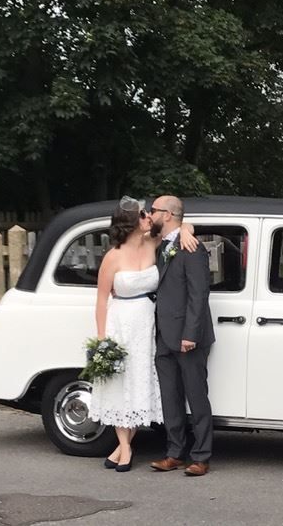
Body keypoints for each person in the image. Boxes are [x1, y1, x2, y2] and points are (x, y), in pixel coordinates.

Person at [88, 196, 196, 473]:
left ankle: (119, 449)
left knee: (141, 384)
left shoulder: (153, 242)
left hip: (148, 322)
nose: (149, 215)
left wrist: (186, 229)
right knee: (120, 386)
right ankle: (125, 449)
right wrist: (102, 339)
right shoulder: (112, 257)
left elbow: (183, 225)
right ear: (132, 222)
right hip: (120, 322)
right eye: (143, 213)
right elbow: (101, 300)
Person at [148, 195, 216, 477]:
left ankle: (201, 455)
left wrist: (190, 334)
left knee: (196, 395)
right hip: (163, 333)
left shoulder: (191, 248)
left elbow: (199, 294)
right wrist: (186, 226)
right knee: (170, 397)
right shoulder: (161, 244)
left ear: (167, 215)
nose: (149, 215)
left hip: (188, 335)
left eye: (153, 211)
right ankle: (174, 452)